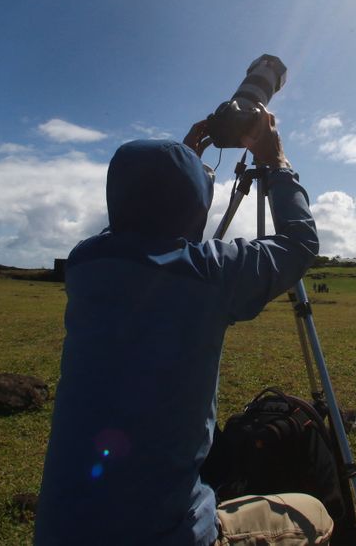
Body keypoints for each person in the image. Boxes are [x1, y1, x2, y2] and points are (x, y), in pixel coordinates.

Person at [34, 108, 330, 545]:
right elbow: (299, 242)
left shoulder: (86, 263)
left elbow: (143, 219)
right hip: (168, 536)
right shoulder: (210, 276)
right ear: (194, 200)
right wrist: (275, 161)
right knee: (316, 515)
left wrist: (183, 161)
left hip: (60, 534)